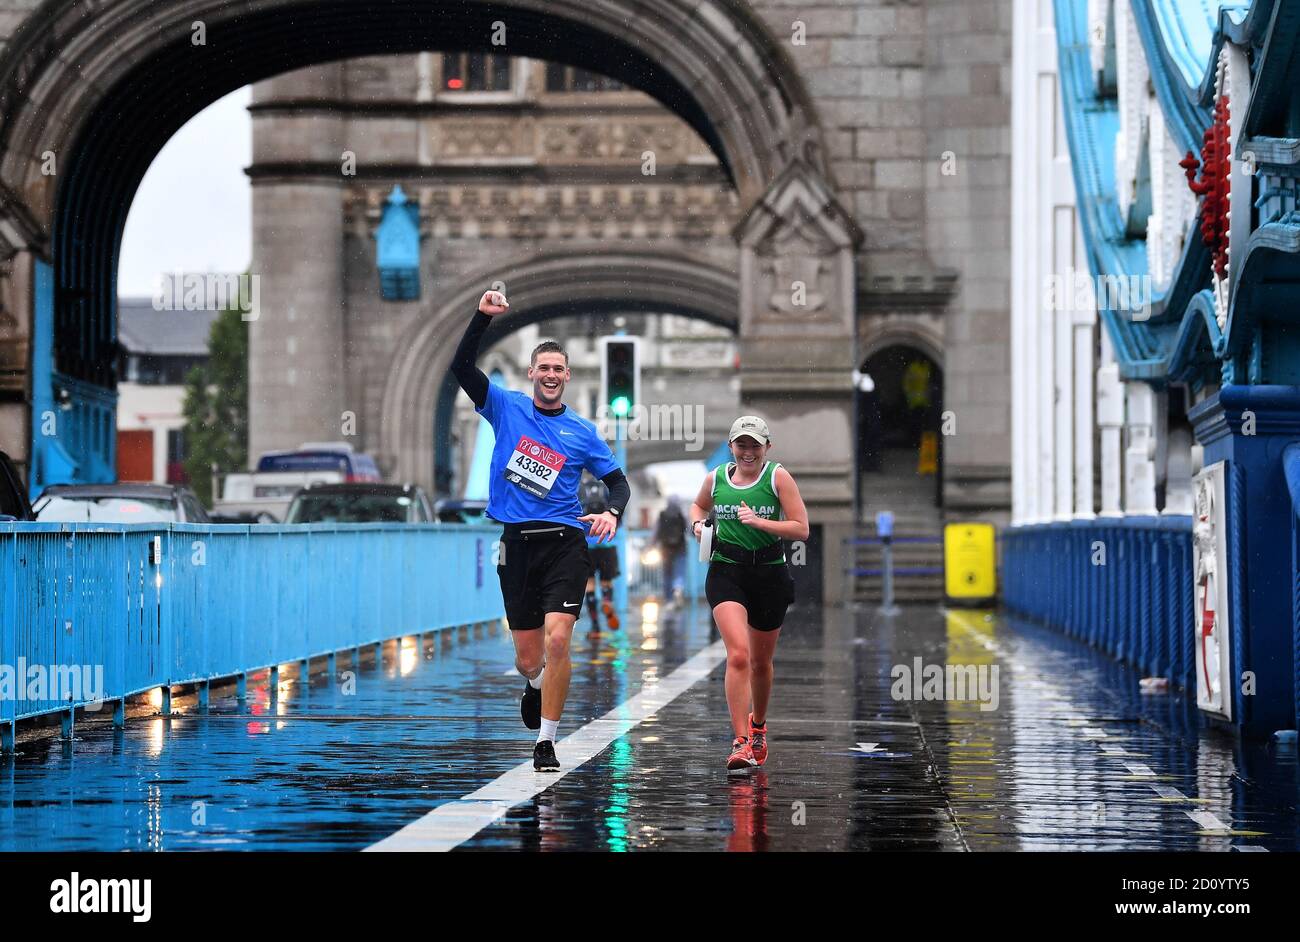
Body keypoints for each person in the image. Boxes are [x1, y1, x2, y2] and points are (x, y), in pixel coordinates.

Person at [451, 289, 630, 771]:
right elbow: (461, 369)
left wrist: (612, 513)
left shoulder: (582, 432)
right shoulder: (504, 407)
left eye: (559, 369)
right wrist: (480, 319)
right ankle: (532, 684)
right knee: (531, 658)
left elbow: (618, 483)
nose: (551, 376)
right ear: (532, 374)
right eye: (543, 368)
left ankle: (546, 741)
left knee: (558, 640)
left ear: (568, 377)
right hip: (517, 545)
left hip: (565, 543)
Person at [689, 415, 809, 773]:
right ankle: (740, 742)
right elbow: (698, 506)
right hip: (726, 571)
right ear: (731, 447)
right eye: (741, 444)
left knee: (760, 663)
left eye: (755, 445)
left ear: (766, 448)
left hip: (770, 574)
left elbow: (801, 528)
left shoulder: (777, 477)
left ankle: (758, 726)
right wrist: (697, 525)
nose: (748, 451)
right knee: (738, 655)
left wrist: (760, 522)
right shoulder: (716, 479)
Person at [579, 471, 621, 631]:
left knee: (589, 583)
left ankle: (595, 625)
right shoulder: (606, 487)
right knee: (606, 581)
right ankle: (607, 601)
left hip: (587, 544)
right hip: (607, 543)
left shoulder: (580, 488)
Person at [653, 496, 688, 607]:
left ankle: (669, 600)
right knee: (679, 571)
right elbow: (689, 529)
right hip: (681, 547)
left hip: (665, 549)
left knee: (667, 575)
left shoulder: (662, 515)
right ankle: (678, 587)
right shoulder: (681, 515)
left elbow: (656, 531)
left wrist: (651, 545)